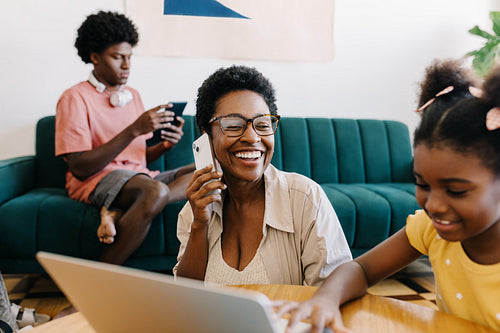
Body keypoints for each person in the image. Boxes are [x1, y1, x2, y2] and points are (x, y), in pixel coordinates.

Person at [275, 59, 500, 333]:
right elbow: (361, 269)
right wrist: (325, 299)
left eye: (456, 191)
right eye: (422, 184)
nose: (434, 205)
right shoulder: (430, 230)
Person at [173, 65, 352, 286]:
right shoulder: (194, 212)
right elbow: (187, 300)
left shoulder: (305, 199)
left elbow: (331, 296)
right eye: (234, 125)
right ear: (205, 133)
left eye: (262, 124)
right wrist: (200, 225)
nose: (251, 136)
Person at [55, 11, 195, 265]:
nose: (127, 65)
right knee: (154, 192)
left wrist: (164, 146)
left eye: (129, 57)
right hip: (95, 179)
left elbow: (136, 159)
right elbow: (79, 167)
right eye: (118, 57)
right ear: (95, 57)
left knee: (208, 170)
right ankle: (99, 280)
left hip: (137, 178)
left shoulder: (132, 95)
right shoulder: (74, 98)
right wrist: (133, 129)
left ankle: (117, 212)